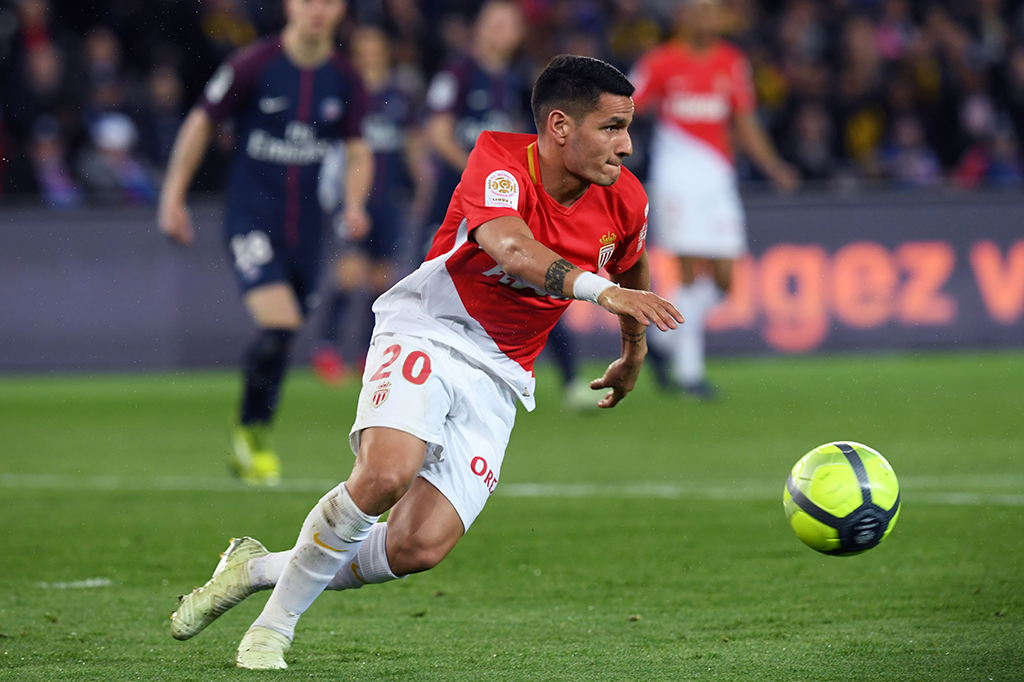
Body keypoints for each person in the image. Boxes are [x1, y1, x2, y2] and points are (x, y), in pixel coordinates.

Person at [168, 54, 682, 670]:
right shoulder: (497, 161)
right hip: (430, 329)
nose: (626, 146)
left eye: (628, 129)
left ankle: (254, 569)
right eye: (612, 128)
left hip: (500, 370)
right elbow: (514, 250)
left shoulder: (624, 198)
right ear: (559, 127)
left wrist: (633, 351)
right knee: (386, 473)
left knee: (419, 545)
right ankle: (272, 630)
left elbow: (630, 269)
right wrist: (602, 294)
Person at [157, 0, 373, 484]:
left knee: (285, 333)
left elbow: (358, 149)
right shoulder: (252, 64)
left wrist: (354, 203)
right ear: (289, 5)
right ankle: (251, 433)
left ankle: (251, 434)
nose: (316, 10)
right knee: (279, 323)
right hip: (251, 220)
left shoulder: (345, 79)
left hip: (308, 232)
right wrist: (172, 196)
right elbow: (201, 122)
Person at [630, 0, 798, 398]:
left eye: (714, 11)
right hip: (676, 176)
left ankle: (664, 339)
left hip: (717, 177)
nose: (711, 19)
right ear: (683, 17)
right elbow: (626, 105)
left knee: (725, 278)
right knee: (689, 270)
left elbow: (744, 119)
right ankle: (690, 373)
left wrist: (774, 167)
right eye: (701, 11)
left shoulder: (731, 61)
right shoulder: (661, 62)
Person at [311, 26, 428, 385]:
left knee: (381, 281)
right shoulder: (346, 94)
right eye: (364, 49)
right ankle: (327, 349)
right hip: (353, 198)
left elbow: (411, 142)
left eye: (376, 47)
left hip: (387, 200)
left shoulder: (398, 96)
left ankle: (367, 352)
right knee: (349, 275)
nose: (371, 55)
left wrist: (423, 182)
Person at [421, 0, 526, 254]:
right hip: (452, 195)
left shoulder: (517, 81)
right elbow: (437, 133)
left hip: (494, 203)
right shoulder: (457, 71)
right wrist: (479, 170)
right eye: (494, 24)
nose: (500, 31)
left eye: (507, 25)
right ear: (478, 27)